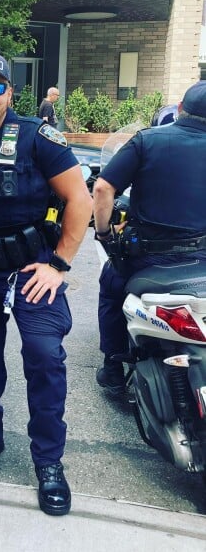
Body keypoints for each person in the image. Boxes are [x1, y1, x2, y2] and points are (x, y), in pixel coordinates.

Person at [0, 50, 92, 516]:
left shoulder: (37, 138)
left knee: (45, 359)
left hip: (33, 268)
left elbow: (79, 201)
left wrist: (59, 265)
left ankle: (48, 462)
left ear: (10, 92)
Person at [93, 80, 206, 397]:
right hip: (202, 258)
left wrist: (103, 233)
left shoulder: (147, 140)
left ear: (180, 109)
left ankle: (114, 367)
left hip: (148, 258)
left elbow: (103, 188)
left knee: (111, 286)